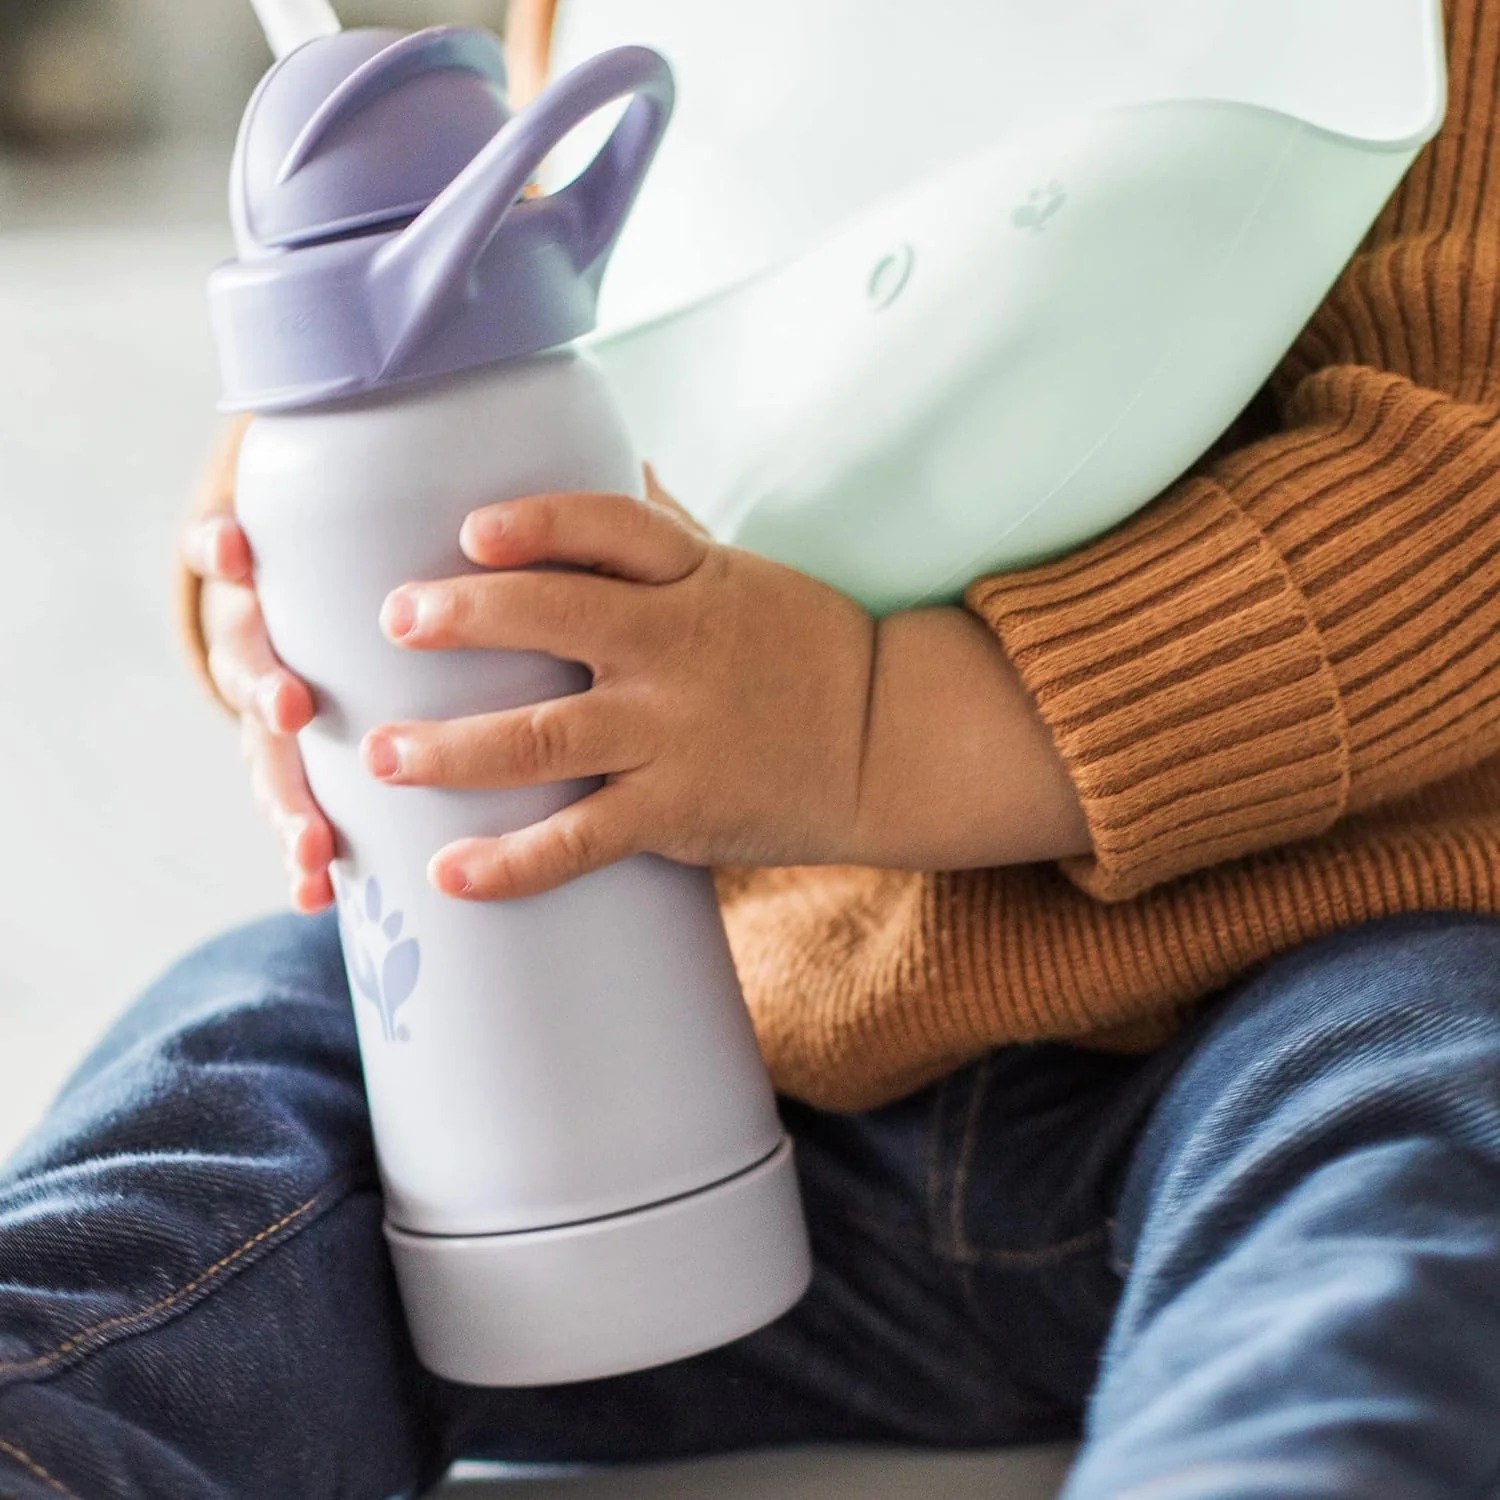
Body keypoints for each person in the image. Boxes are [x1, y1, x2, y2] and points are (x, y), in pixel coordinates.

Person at [4, 0, 1500, 1495]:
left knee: (1414, 1157)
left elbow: (1457, 493)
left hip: (1276, 989)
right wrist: (271, 597)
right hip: (670, 1040)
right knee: (242, 1065)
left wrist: (870, 725)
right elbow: (426, 317)